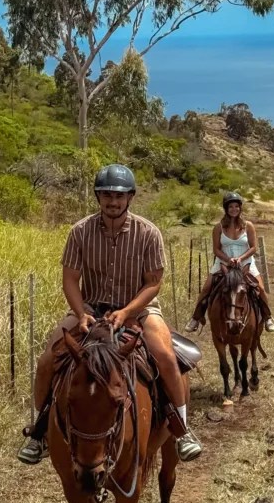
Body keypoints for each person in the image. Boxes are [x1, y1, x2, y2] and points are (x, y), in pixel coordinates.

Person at [17, 164, 202, 465]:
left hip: (139, 309)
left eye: (119, 196)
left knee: (165, 356)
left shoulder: (148, 233)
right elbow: (70, 280)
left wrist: (128, 311)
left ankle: (182, 430)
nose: (112, 202)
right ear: (97, 197)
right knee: (47, 360)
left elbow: (153, 283)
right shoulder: (80, 231)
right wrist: (80, 314)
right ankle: (38, 434)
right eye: (106, 195)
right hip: (91, 308)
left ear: (130, 197)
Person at [185, 191, 274, 334]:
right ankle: (196, 318)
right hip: (223, 262)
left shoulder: (248, 226)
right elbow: (216, 249)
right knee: (206, 288)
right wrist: (228, 260)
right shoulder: (218, 227)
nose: (234, 209)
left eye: (236, 206)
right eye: (231, 207)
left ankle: (267, 317)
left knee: (260, 288)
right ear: (226, 209)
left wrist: (240, 259)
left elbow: (253, 247)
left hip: (246, 262)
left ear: (240, 208)